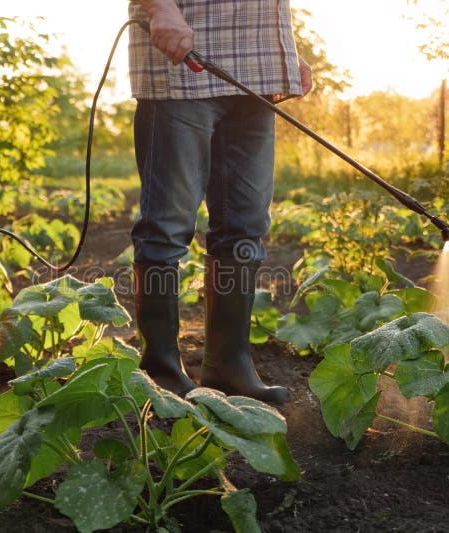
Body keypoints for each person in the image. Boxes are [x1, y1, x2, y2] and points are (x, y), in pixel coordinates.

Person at [128, 0, 313, 403]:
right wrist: (161, 8)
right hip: (182, 64)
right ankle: (160, 374)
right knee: (167, 227)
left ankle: (229, 365)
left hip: (256, 71)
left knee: (244, 227)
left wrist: (284, 51)